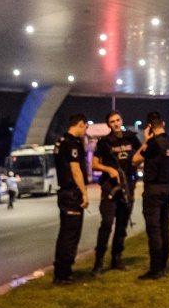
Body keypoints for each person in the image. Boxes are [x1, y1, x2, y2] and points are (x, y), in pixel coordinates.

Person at [90, 110, 141, 274]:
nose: (116, 123)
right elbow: (94, 164)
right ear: (109, 125)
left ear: (121, 120)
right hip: (110, 187)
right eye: (112, 121)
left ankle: (116, 259)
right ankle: (98, 262)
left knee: (122, 225)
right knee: (106, 224)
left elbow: (142, 152)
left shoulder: (131, 138)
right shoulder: (104, 143)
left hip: (128, 186)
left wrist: (137, 162)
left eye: (118, 120)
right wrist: (109, 170)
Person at [132, 110, 169, 279]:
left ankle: (156, 269)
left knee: (154, 231)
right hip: (167, 188)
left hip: (153, 190)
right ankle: (163, 266)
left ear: (149, 127)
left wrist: (145, 141)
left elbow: (135, 160)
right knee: (164, 228)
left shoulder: (152, 144)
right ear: (163, 124)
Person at [53, 113, 90, 285]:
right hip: (72, 194)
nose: (85, 132)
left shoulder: (61, 142)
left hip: (64, 193)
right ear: (81, 124)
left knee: (65, 234)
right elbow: (75, 169)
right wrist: (84, 192)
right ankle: (63, 274)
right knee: (70, 235)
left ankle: (62, 271)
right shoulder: (71, 143)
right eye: (85, 128)